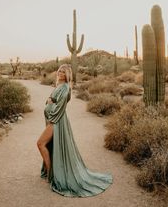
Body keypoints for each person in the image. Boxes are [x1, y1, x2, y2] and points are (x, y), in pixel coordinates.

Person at [37, 64, 113, 197]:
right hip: (53, 121)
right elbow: (53, 101)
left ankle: (51, 175)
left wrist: (50, 108)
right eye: (59, 71)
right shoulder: (59, 86)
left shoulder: (65, 88)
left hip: (56, 122)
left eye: (63, 72)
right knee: (49, 145)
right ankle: (52, 173)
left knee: (41, 144)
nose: (60, 73)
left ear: (67, 75)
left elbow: (59, 107)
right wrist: (49, 101)